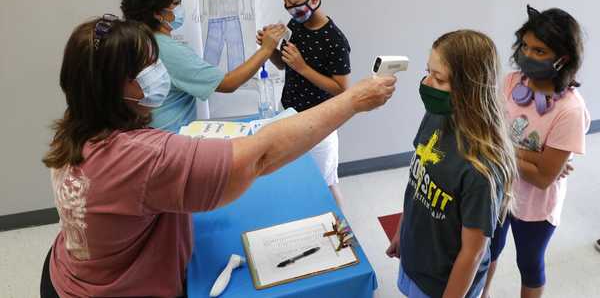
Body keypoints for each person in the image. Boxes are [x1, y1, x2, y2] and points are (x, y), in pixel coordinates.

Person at [39, 16, 396, 297]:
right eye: (147, 68)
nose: (159, 73)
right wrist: (353, 101)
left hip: (67, 273)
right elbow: (260, 156)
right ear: (114, 87)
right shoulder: (140, 157)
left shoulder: (76, 126)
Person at [386, 30, 518, 298]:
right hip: (417, 259)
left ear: (470, 88)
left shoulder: (480, 169)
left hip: (444, 284)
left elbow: (472, 253)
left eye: (439, 78)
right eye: (428, 72)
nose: (427, 82)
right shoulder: (437, 116)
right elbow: (417, 183)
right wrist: (402, 230)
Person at [481, 5, 590, 298]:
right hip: (499, 188)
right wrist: (535, 158)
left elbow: (542, 179)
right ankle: (483, 293)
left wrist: (502, 148)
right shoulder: (511, 83)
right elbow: (489, 134)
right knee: (488, 250)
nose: (527, 55)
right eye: (525, 46)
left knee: (528, 262)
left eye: (540, 51)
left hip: (535, 207)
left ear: (562, 58)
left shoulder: (570, 110)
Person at [120, 0, 286, 132]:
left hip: (146, 136)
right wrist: (266, 49)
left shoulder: (135, 41)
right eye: (175, 3)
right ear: (158, 13)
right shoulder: (166, 50)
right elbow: (228, 83)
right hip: (167, 140)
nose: (180, 7)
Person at [257, 0, 351, 203]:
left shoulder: (335, 40)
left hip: (322, 122)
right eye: (285, 0)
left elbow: (342, 91)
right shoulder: (295, 25)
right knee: (294, 178)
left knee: (327, 184)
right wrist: (269, 49)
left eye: (293, 1)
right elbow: (284, 64)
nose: (289, 7)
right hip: (290, 113)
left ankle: (341, 235)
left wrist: (303, 68)